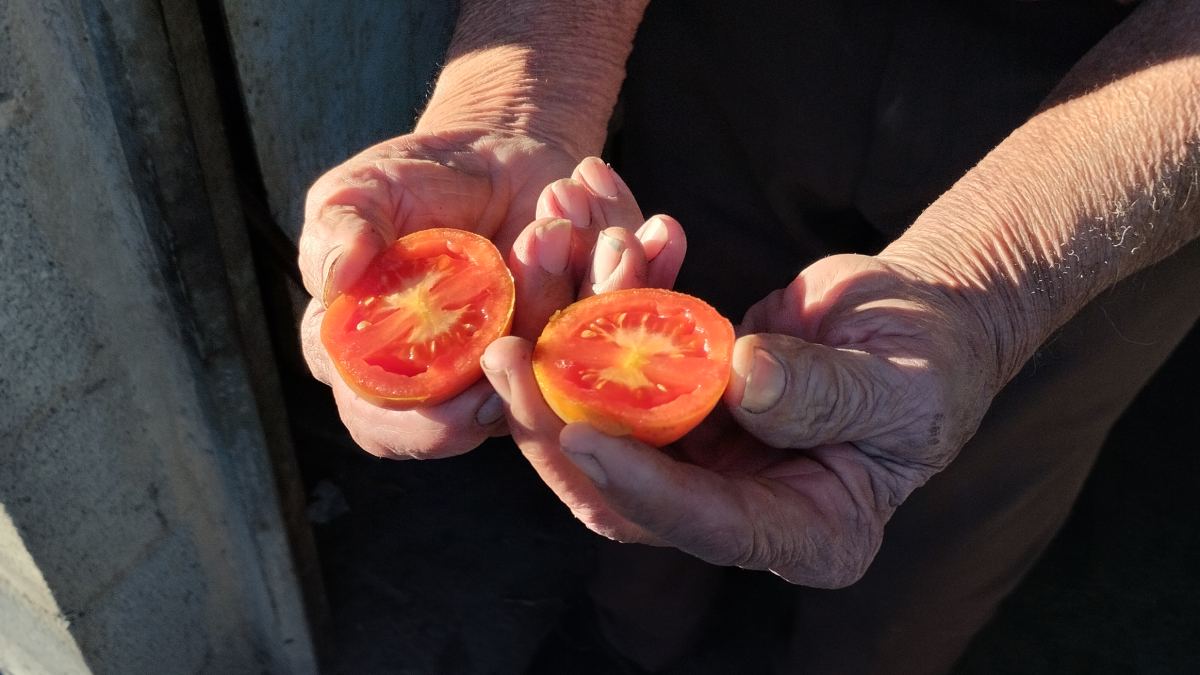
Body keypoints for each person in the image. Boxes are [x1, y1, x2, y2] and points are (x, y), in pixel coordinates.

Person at [297, 0, 1200, 672]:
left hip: (1133, 119)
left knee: (961, 490)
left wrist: (997, 283)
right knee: (621, 442)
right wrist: (525, 93)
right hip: (739, 46)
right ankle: (630, 641)